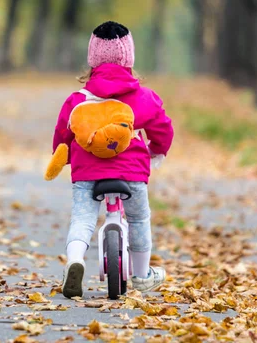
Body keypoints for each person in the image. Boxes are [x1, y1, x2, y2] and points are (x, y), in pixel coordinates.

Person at [52, 21, 174, 298]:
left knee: (82, 218)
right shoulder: (145, 97)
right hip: (132, 173)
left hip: (87, 172)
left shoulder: (78, 99)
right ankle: (142, 275)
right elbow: (163, 129)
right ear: (128, 58)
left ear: (92, 59)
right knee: (139, 218)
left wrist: (64, 155)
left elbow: (62, 132)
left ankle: (75, 260)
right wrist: (157, 149)